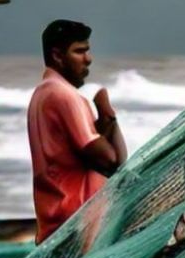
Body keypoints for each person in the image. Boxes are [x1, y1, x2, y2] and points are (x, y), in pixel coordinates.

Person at [27, 19, 127, 243]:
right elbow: (112, 161)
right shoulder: (65, 97)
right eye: (79, 51)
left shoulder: (41, 94)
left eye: (88, 51)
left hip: (54, 224)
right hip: (77, 225)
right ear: (57, 56)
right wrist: (106, 111)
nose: (88, 59)